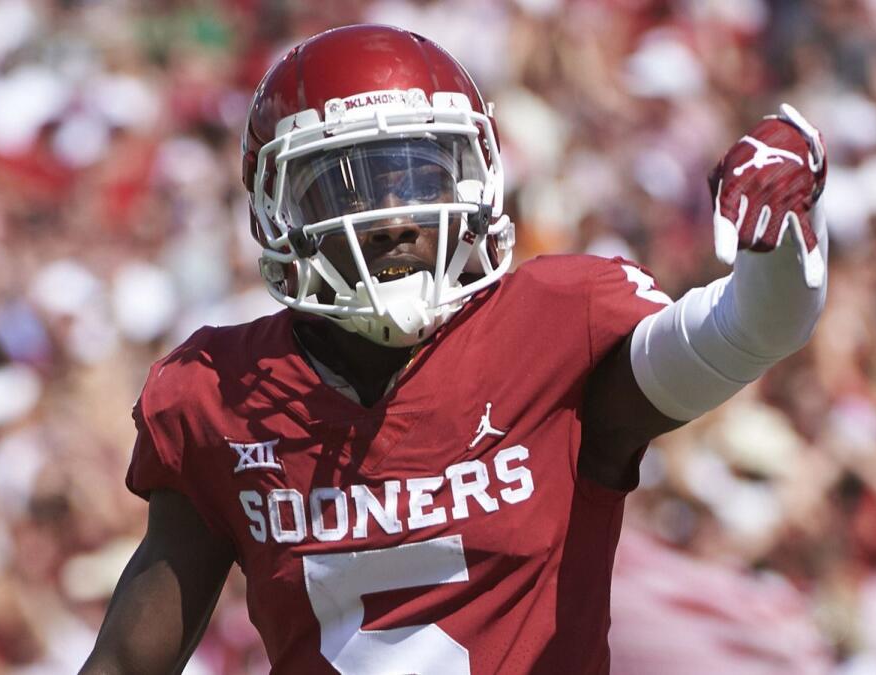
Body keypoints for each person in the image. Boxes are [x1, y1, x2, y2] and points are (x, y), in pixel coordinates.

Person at [81, 23, 828, 675]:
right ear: (278, 206)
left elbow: (742, 332)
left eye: (418, 173)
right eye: (348, 186)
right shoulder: (223, 394)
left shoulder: (552, 330)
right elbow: (125, 663)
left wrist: (783, 250)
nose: (395, 216)